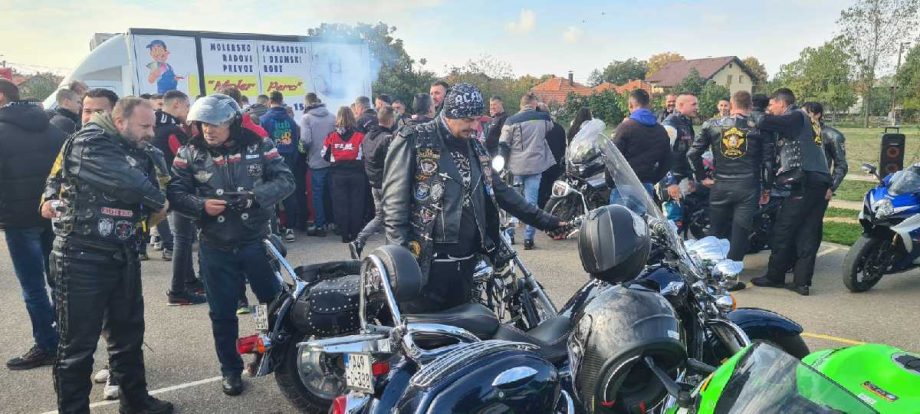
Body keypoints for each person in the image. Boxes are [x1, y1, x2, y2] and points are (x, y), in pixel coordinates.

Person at [383, 83, 565, 311]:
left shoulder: (476, 148)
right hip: (425, 267)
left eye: (477, 119)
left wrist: (546, 221)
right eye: (468, 120)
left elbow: (502, 192)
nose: (475, 126)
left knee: (467, 328)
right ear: (449, 114)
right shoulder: (414, 139)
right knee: (424, 330)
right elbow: (394, 208)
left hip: (466, 265)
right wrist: (402, 266)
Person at [48, 96, 173, 414]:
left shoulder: (138, 147)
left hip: (124, 252)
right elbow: (133, 185)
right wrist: (159, 200)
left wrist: (199, 203)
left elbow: (168, 186)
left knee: (128, 336)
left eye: (153, 126)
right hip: (81, 257)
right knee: (77, 347)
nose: (151, 133)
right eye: (145, 126)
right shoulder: (89, 141)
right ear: (120, 122)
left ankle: (136, 403)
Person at [168, 94, 294, 396]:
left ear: (232, 122)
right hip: (215, 246)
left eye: (215, 124)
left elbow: (286, 180)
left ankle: (275, 355)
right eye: (203, 123)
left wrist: (256, 197)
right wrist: (200, 206)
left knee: (272, 306)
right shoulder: (189, 152)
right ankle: (230, 370)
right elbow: (174, 192)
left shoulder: (259, 144)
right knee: (222, 313)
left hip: (256, 242)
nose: (208, 129)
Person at [0, 79, 66, 371]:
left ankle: (48, 344)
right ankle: (66, 340)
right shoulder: (54, 129)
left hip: (20, 219)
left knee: (34, 286)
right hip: (53, 215)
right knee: (59, 281)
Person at [688, 91, 774, 290]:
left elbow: (693, 153)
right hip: (748, 185)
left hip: (721, 184)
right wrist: (767, 188)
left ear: (731, 104)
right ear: (750, 106)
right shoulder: (759, 128)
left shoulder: (711, 125)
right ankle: (729, 277)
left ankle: (709, 272)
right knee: (740, 231)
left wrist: (702, 177)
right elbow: (768, 163)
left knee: (716, 230)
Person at [751, 89, 832, 296]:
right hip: (820, 181)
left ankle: (775, 276)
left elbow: (763, 122)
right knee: (808, 232)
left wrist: (755, 110)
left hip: (805, 181)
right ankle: (802, 282)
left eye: (772, 105)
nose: (770, 109)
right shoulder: (809, 121)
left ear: (781, 103)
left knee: (783, 229)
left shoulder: (796, 116)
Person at [150, 90, 206, 305]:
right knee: (182, 238)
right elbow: (186, 158)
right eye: (187, 105)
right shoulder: (172, 130)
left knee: (183, 237)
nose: (189, 110)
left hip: (163, 189)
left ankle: (189, 281)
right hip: (178, 190)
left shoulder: (155, 126)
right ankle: (178, 290)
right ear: (177, 105)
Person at [498, 92, 556, 250]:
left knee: (513, 202)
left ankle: (510, 235)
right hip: (535, 166)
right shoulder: (544, 119)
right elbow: (551, 126)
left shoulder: (511, 120)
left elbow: (503, 143)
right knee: (532, 203)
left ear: (521, 104)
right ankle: (528, 239)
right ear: (534, 104)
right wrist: (542, 110)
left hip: (516, 167)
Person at [350, 106, 397, 258]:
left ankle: (359, 241)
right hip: (387, 183)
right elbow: (395, 162)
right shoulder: (388, 138)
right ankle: (392, 250)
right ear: (391, 119)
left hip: (374, 182)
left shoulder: (368, 135)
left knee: (381, 216)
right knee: (393, 217)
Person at [611, 89, 672, 200]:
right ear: (649, 105)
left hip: (623, 186)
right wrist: (652, 180)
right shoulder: (661, 130)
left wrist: (610, 182)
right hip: (645, 185)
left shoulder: (625, 127)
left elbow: (612, 156)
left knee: (620, 212)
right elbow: (667, 162)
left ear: (630, 105)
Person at [260, 91, 302, 242]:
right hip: (288, 160)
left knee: (272, 193)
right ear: (282, 100)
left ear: (269, 101)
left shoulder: (264, 119)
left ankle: (276, 227)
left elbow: (261, 143)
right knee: (289, 192)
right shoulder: (291, 121)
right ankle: (290, 228)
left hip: (270, 161)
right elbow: (296, 142)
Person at [322, 107, 367, 243]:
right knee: (357, 204)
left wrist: (336, 160)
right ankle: (355, 234)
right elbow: (366, 154)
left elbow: (324, 154)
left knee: (340, 205)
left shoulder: (331, 135)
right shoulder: (360, 135)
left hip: (337, 174)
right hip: (357, 174)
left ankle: (344, 235)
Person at [301, 93, 336, 237]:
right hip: (332, 161)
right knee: (333, 194)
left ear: (306, 103)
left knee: (317, 195)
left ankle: (320, 226)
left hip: (316, 162)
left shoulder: (306, 118)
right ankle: (335, 223)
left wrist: (306, 152)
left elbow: (305, 140)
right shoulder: (332, 116)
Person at [803, 102, 848, 195]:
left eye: (806, 113)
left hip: (818, 185)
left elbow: (841, 165)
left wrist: (831, 188)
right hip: (797, 185)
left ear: (817, 115)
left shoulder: (832, 136)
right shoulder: (797, 132)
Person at [662, 93, 700, 202]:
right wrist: (670, 182)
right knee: (674, 212)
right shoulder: (671, 123)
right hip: (673, 181)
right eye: (693, 104)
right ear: (681, 105)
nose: (697, 108)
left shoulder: (686, 122)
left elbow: (687, 152)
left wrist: (690, 177)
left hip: (683, 177)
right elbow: (661, 154)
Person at [539, 103, 567, 209]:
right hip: (556, 164)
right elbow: (563, 147)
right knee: (553, 192)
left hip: (541, 165)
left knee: (541, 193)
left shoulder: (538, 129)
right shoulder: (559, 127)